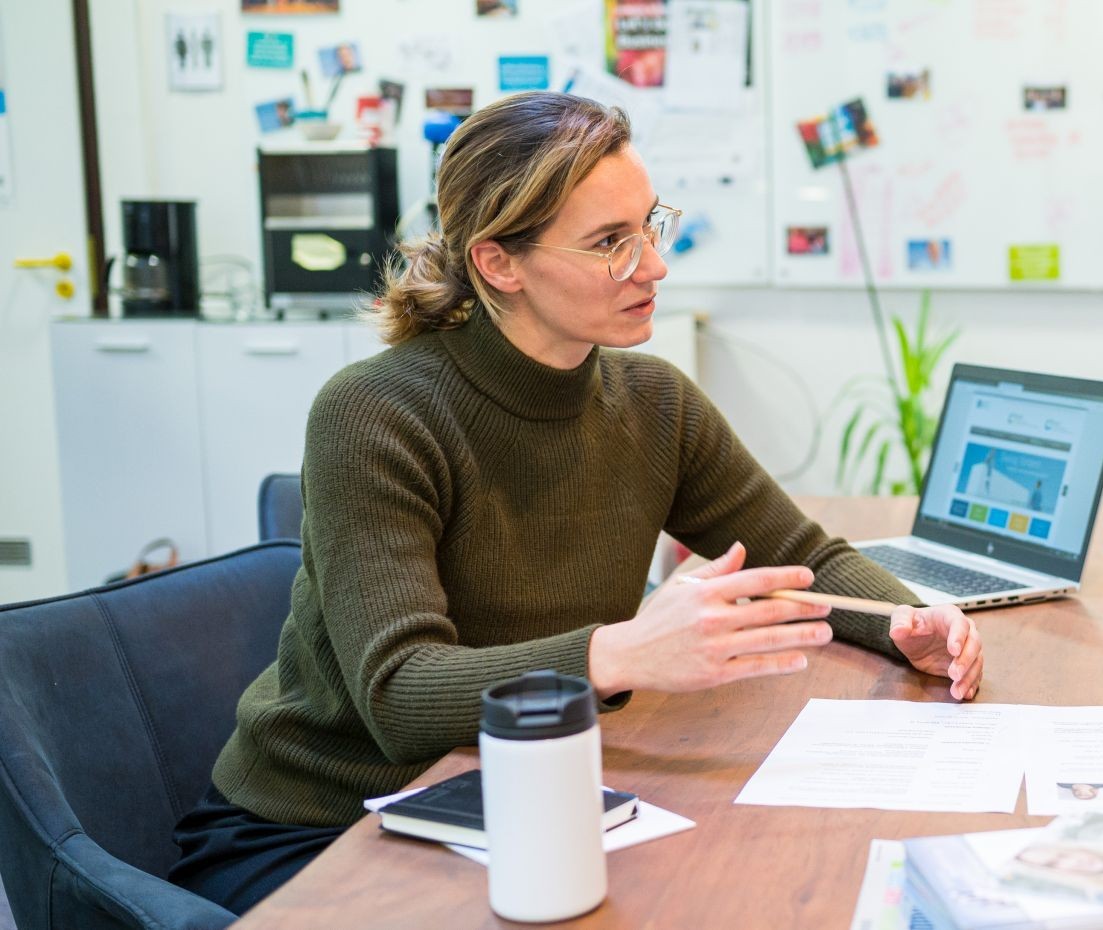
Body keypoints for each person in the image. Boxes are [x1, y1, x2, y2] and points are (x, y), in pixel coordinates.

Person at [169, 91, 984, 915]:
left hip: (525, 794)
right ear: (499, 263)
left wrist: (914, 624)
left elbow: (807, 560)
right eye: (609, 244)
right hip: (323, 829)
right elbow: (401, 699)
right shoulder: (376, 412)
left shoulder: (654, 402)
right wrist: (624, 652)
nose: (654, 267)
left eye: (650, 227)